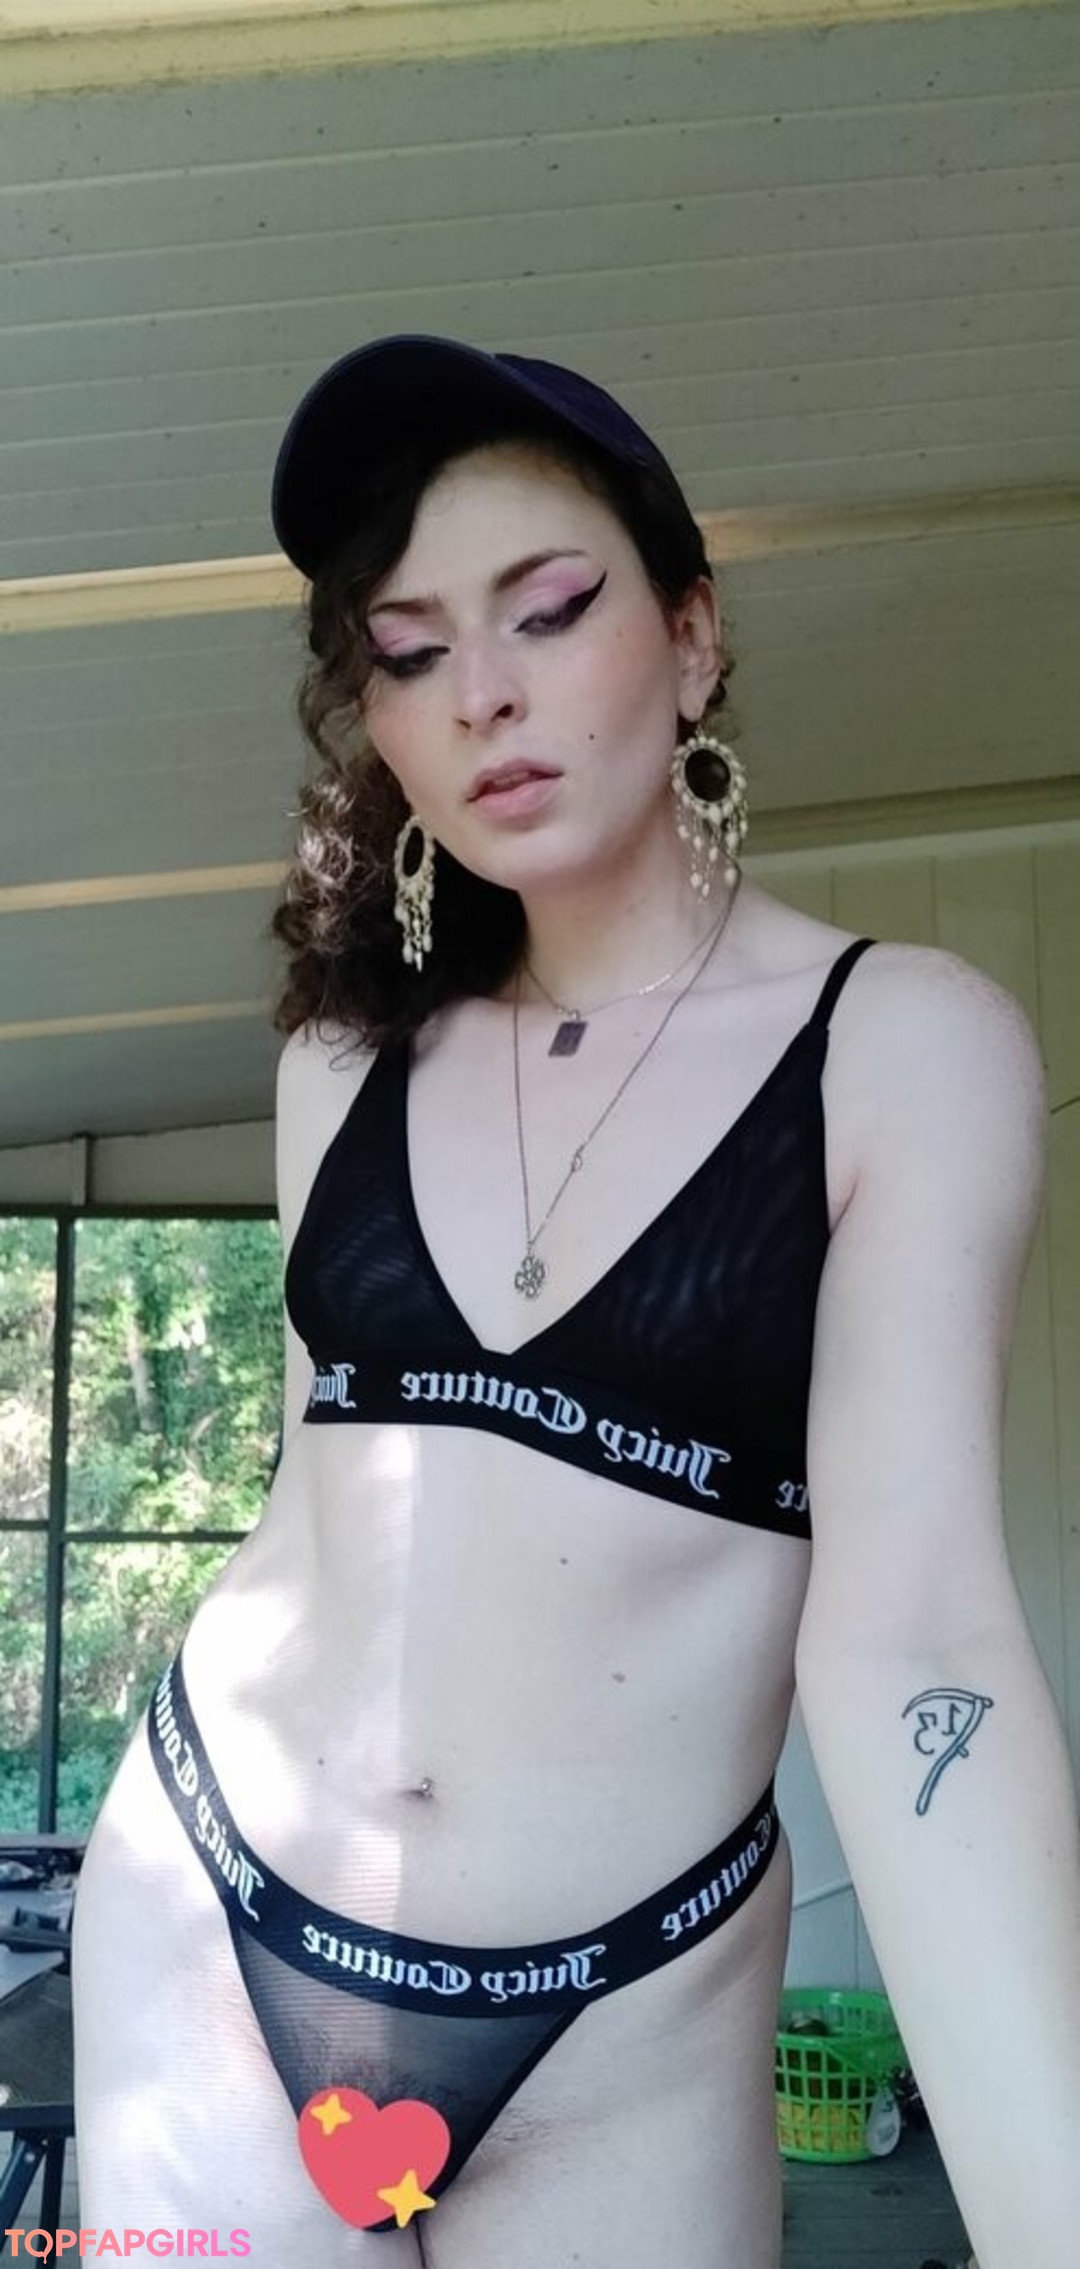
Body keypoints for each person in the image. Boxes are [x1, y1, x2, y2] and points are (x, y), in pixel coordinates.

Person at [72, 336, 1080, 2269]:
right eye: (411, 649)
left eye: (548, 609)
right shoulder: (342, 1064)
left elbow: (918, 1637)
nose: (487, 692)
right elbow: (327, 1507)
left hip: (628, 2012)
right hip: (210, 1918)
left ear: (693, 640)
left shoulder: (900, 1049)